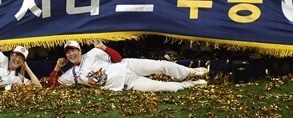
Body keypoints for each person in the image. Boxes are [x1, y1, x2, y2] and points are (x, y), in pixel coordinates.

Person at [48, 40, 207, 92]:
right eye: (68, 52)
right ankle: (190, 84)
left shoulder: (93, 53)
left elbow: (117, 59)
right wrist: (56, 68)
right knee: (159, 86)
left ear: (79, 50)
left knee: (161, 65)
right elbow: (52, 85)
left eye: (73, 50)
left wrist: (104, 48)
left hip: (128, 65)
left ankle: (192, 72)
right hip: (126, 83)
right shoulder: (72, 74)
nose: (71, 54)